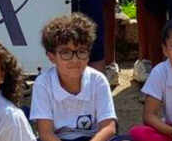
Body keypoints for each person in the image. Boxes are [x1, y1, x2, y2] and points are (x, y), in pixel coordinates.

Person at [31, 13, 118, 141]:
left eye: (81, 52)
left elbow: (109, 127)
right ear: (52, 57)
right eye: (66, 53)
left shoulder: (98, 80)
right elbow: (45, 133)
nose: (75, 60)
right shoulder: (43, 83)